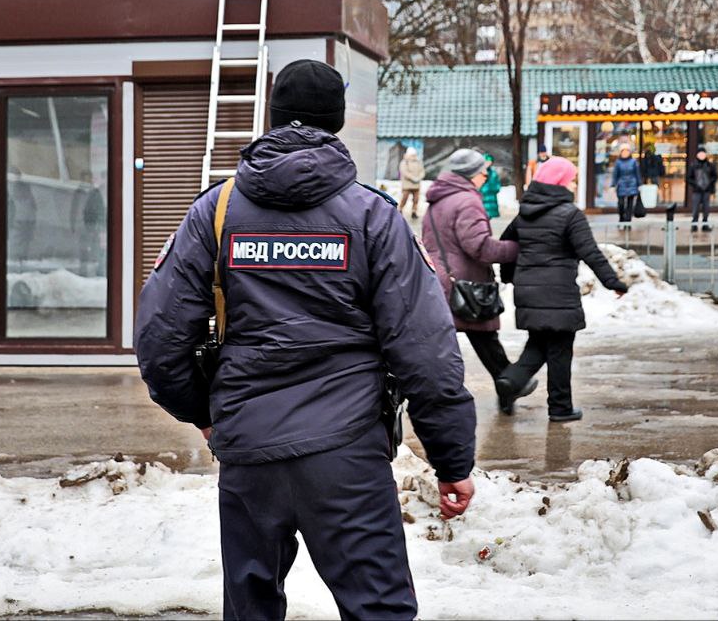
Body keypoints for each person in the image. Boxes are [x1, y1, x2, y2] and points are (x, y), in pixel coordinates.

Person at [134, 60, 476, 621]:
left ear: (273, 117)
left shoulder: (216, 212)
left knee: (251, 611)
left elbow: (159, 339)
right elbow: (426, 352)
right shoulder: (373, 217)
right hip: (348, 453)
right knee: (379, 610)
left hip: (249, 449)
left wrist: (205, 411)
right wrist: (451, 459)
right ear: (336, 122)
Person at [498, 156, 628, 422]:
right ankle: (560, 407)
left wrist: (511, 277)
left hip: (529, 292)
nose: (573, 182)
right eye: (571, 178)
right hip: (558, 293)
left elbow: (507, 247)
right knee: (559, 351)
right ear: (560, 182)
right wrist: (613, 282)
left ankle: (510, 381)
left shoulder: (524, 212)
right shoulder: (569, 214)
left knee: (537, 345)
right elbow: (590, 252)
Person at [423, 149, 521, 413]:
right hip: (466, 283)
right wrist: (517, 249)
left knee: (455, 343)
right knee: (485, 339)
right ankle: (508, 386)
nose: (486, 175)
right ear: (471, 174)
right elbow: (480, 248)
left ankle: (506, 388)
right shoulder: (466, 201)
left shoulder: (437, 199)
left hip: (440, 282)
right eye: (483, 171)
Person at [687, 147, 717, 231]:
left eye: (703, 153)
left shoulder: (710, 165)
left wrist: (709, 184)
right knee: (695, 208)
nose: (702, 155)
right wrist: (695, 185)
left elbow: (715, 176)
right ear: (697, 154)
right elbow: (688, 178)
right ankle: (694, 225)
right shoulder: (693, 165)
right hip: (697, 191)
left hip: (706, 190)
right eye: (700, 153)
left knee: (706, 209)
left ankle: (705, 225)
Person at [611, 145, 642, 225]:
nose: (625, 153)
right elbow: (615, 174)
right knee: (621, 203)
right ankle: (621, 217)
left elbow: (637, 173)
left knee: (630, 204)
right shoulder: (618, 162)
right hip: (621, 184)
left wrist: (639, 184)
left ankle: (628, 220)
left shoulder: (633, 162)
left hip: (632, 184)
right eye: (623, 151)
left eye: (627, 151)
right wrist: (613, 185)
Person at [397, 146, 425, 218]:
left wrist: (419, 177)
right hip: (407, 185)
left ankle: (414, 212)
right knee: (404, 198)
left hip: (416, 185)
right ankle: (400, 209)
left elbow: (422, 171)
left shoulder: (418, 162)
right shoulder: (404, 162)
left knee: (416, 199)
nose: (413, 156)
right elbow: (404, 172)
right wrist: (413, 178)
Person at [480, 154, 503, 220]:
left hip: (491, 199)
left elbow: (497, 186)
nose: (489, 163)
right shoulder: (478, 172)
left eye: (490, 162)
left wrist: (493, 189)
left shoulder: (493, 173)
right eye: (487, 161)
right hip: (482, 199)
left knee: (488, 219)